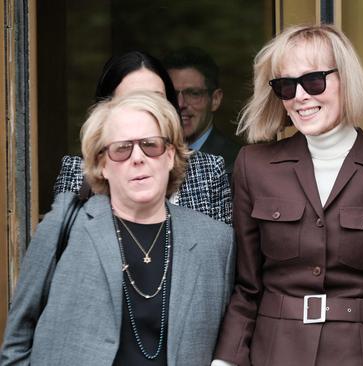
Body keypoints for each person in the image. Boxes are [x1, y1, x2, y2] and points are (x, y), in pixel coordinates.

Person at [213, 24, 363, 366]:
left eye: (314, 81)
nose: (300, 96)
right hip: (277, 353)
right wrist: (225, 361)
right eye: (287, 86)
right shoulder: (254, 167)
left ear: (344, 80)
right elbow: (247, 288)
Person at [1, 91, 235, 365]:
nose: (138, 158)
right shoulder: (65, 224)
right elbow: (16, 343)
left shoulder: (216, 242)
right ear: (102, 165)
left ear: (170, 156)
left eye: (151, 145)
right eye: (122, 148)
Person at [53, 51, 232, 224]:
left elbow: (218, 251)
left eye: (157, 100)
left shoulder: (207, 171)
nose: (147, 111)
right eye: (133, 100)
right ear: (105, 110)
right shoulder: (78, 172)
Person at [163, 47, 241, 178]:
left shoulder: (234, 164)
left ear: (215, 99)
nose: (180, 104)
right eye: (172, 94)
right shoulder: (150, 156)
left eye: (193, 94)